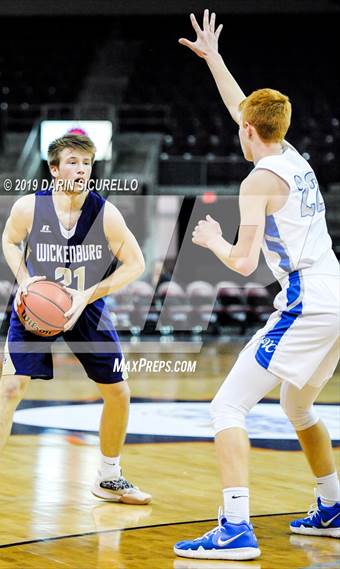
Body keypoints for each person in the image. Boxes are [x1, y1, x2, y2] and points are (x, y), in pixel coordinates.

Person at [174, 9, 340, 561]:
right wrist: (215, 61)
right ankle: (333, 505)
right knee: (298, 407)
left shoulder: (255, 182)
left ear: (250, 132)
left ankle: (235, 528)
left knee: (227, 408)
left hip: (306, 302)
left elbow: (244, 264)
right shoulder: (294, 156)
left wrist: (212, 241)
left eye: (241, 125)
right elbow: (241, 109)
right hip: (334, 294)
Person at [0, 133, 151, 517]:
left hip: (86, 305)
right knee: (12, 387)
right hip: (37, 305)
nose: (81, 170)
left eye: (86, 164)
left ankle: (108, 476)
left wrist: (90, 294)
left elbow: (136, 265)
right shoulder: (28, 208)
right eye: (72, 162)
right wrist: (24, 280)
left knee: (119, 393)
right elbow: (9, 241)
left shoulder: (106, 214)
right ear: (54, 168)